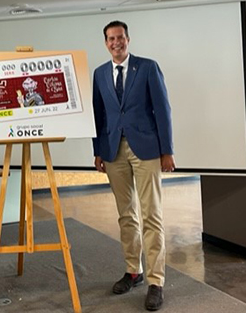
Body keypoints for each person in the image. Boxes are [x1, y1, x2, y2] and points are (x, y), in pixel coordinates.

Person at [92, 20, 175, 311]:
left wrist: (167, 150)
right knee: (126, 215)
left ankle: (156, 281)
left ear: (128, 39)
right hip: (113, 152)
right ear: (106, 43)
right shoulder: (100, 74)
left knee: (151, 215)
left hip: (147, 150)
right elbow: (98, 117)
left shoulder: (148, 67)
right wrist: (98, 151)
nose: (116, 42)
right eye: (111, 38)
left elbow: (163, 109)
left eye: (121, 37)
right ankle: (133, 271)